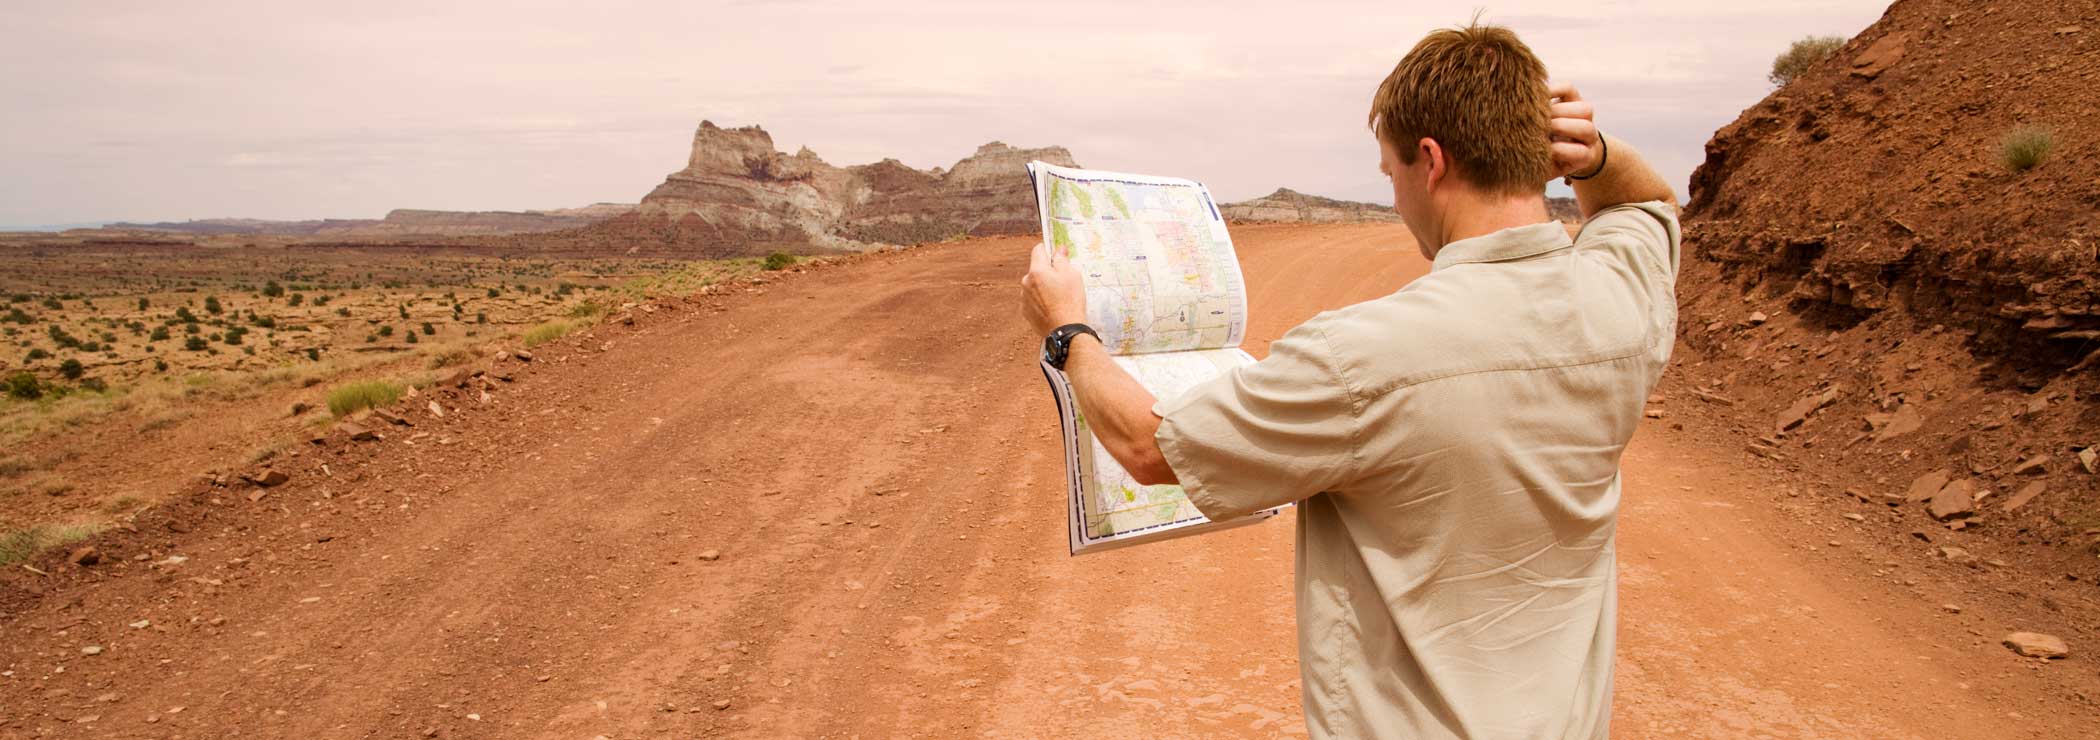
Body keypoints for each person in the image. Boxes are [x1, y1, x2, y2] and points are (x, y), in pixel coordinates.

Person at [1018, 21, 1680, 740]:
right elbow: (1644, 208)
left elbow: (1151, 449)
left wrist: (1069, 333)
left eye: (1390, 174)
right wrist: (1600, 155)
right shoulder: (1620, 302)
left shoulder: (1362, 356)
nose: (1395, 198)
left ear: (1431, 161)